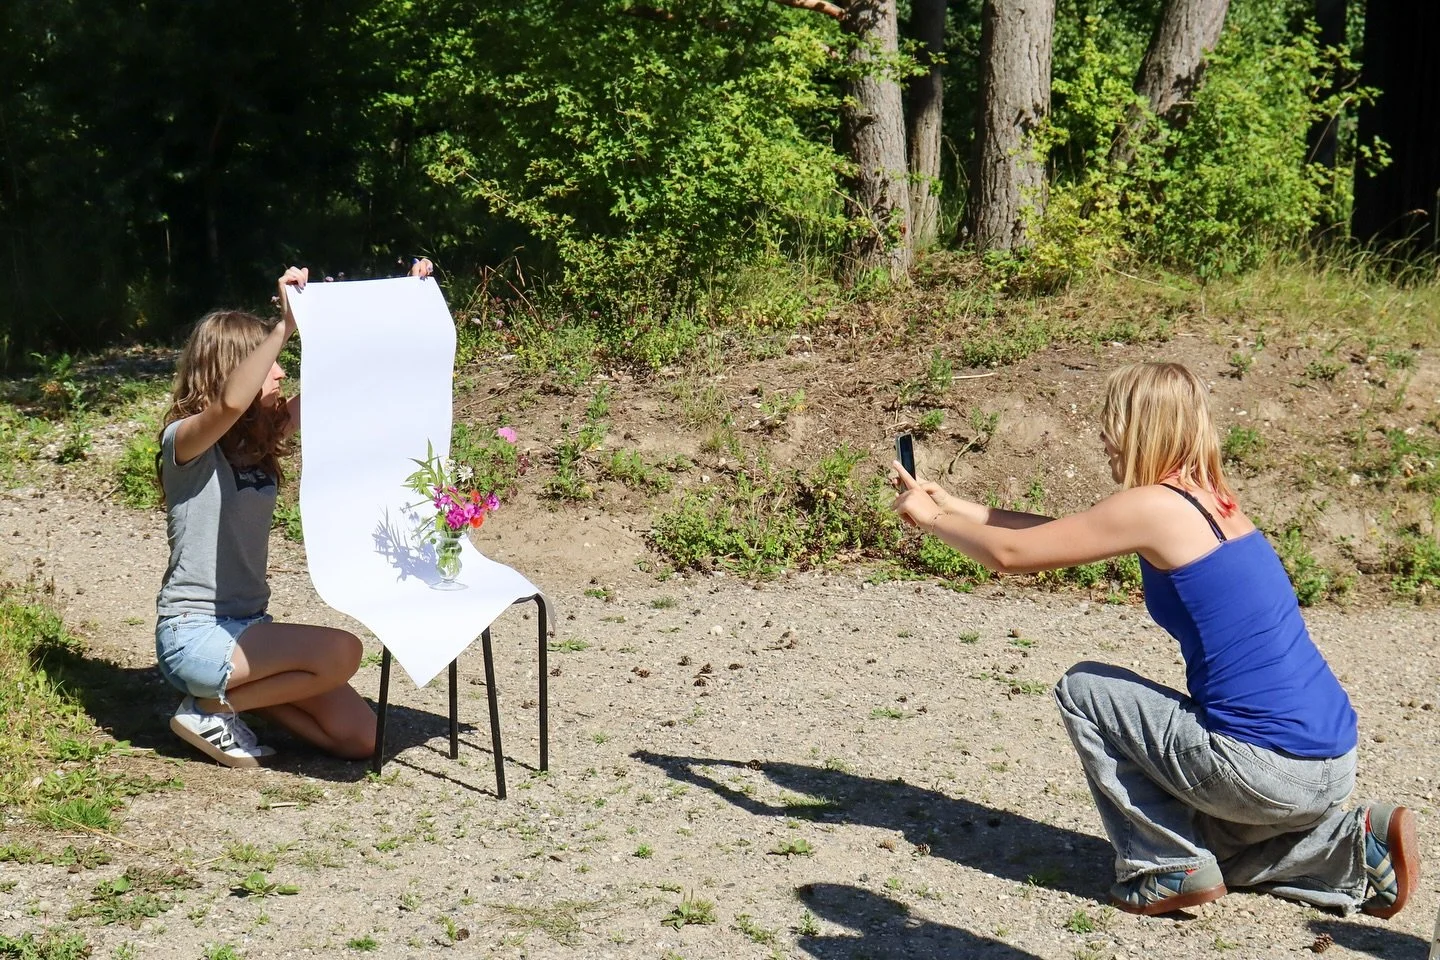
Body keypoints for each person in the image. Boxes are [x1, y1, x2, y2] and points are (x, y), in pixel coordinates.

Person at [890, 361, 1418, 918]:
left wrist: (928, 521)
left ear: (1142, 427)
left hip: (1266, 768)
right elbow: (1059, 531)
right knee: (1217, 856)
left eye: (1111, 423)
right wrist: (954, 506)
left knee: (1084, 688)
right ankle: (1350, 846)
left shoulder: (1152, 506)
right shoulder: (1213, 499)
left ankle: (1163, 866)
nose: (1102, 437)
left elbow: (1012, 556)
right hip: (1327, 763)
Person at [154, 259, 433, 766]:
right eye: (270, 361)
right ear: (228, 369)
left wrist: (403, 301)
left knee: (360, 739)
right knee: (342, 652)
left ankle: (219, 708)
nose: (280, 370)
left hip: (250, 632)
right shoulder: (185, 444)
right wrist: (284, 324)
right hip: (196, 635)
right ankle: (212, 705)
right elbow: (231, 404)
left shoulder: (258, 441)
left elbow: (345, 381)